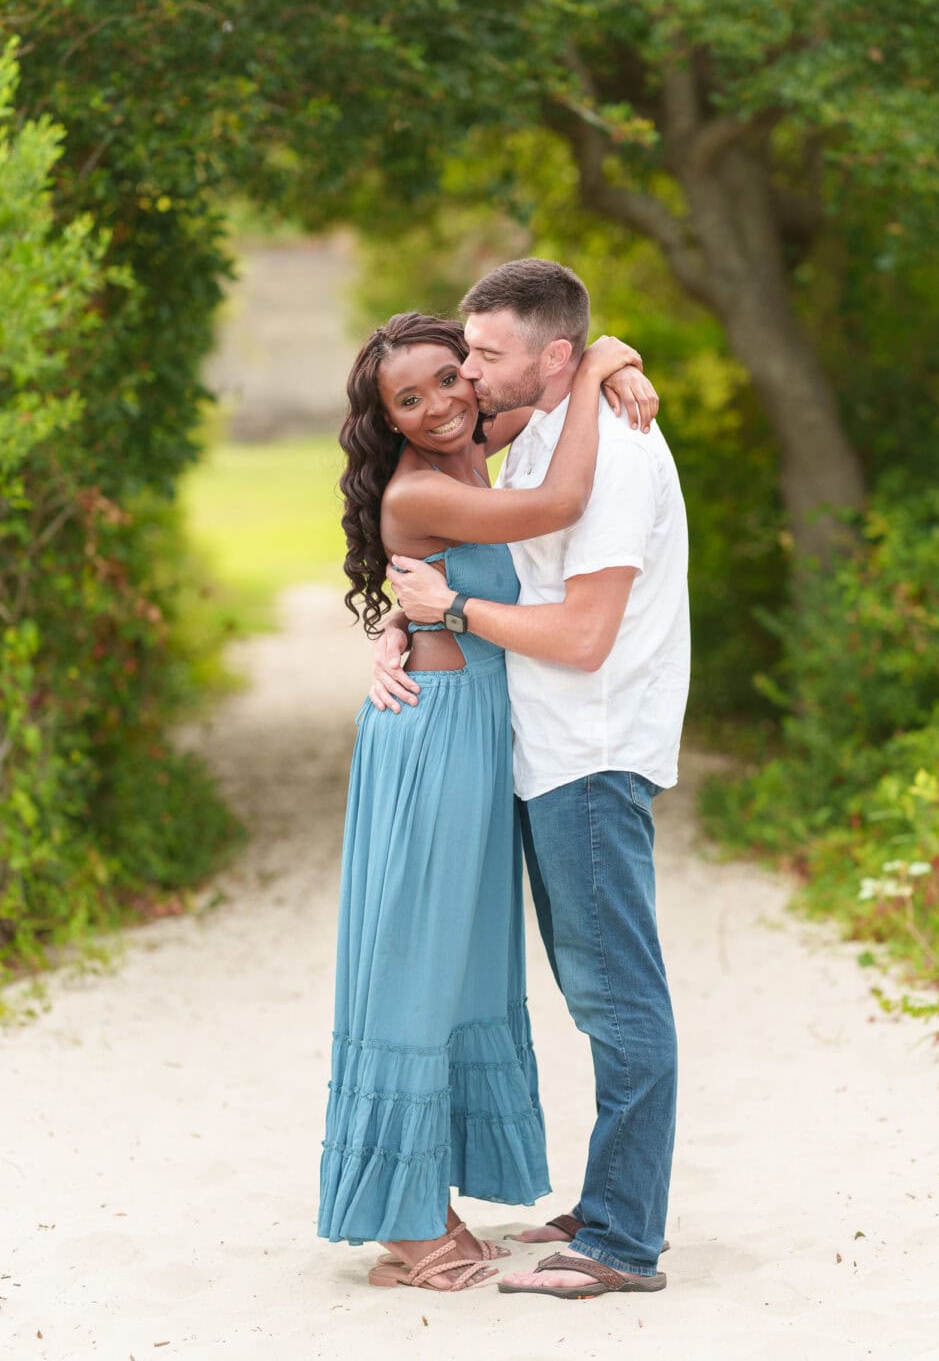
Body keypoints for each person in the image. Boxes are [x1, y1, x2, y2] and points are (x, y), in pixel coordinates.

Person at [317, 309, 655, 1293]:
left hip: (475, 733)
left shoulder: (473, 442)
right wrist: (595, 366)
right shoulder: (424, 486)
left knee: (464, 965)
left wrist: (613, 359)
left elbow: (534, 396)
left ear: (471, 376)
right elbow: (561, 500)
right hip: (430, 736)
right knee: (414, 962)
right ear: (384, 421)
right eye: (405, 401)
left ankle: (435, 1196)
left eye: (445, 381)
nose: (435, 408)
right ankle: (403, 1227)